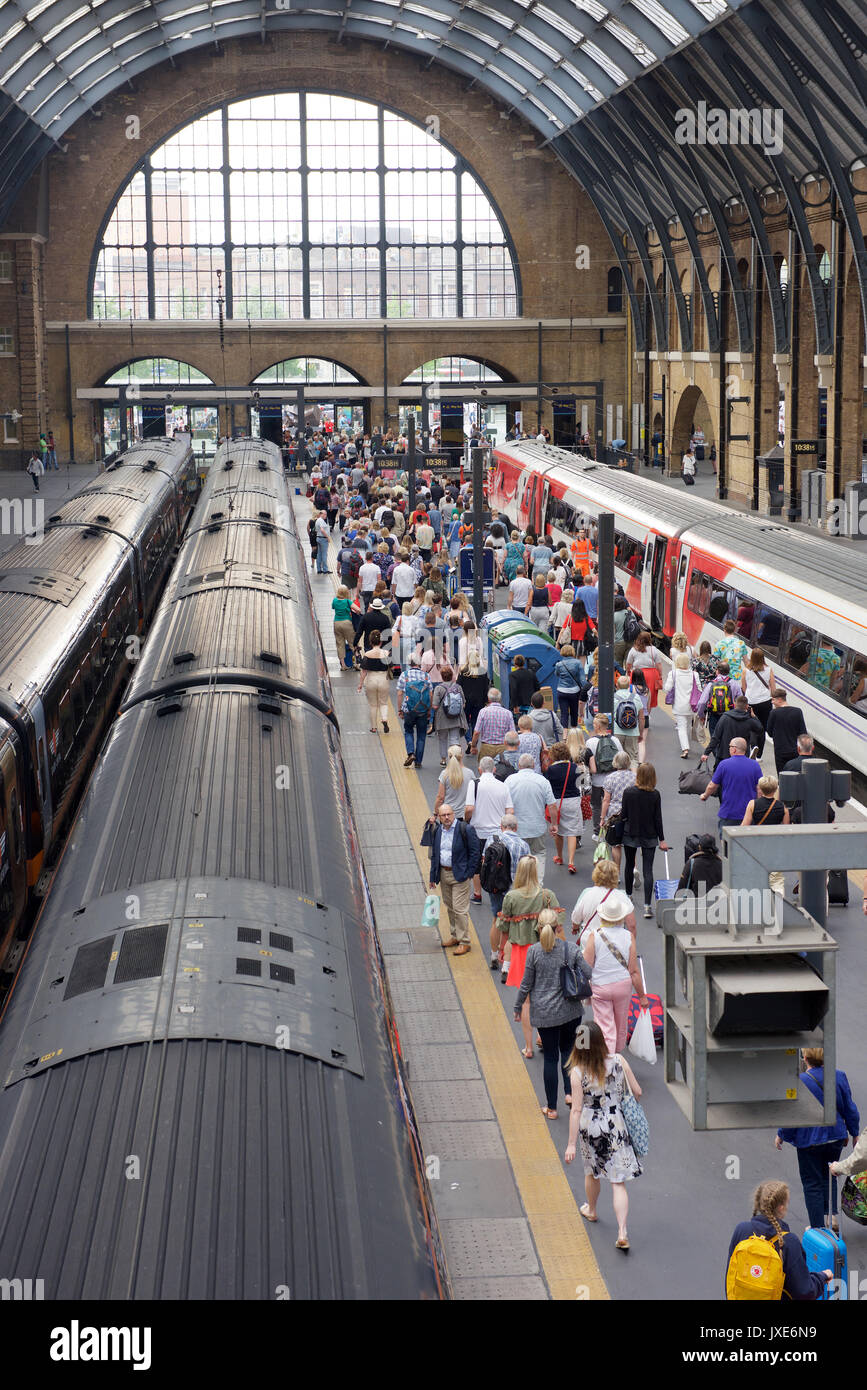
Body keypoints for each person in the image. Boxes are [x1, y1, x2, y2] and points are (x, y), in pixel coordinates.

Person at [564, 1021, 642, 1251]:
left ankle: (592, 1209)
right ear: (600, 1041)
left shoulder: (577, 1073)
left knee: (593, 1173)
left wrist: (570, 1144)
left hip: (591, 1127)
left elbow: (576, 1110)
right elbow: (637, 1091)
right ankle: (622, 1232)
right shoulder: (618, 1061)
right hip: (616, 1123)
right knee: (618, 1182)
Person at [775, 1048, 861, 1231]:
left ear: (805, 1058)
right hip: (835, 1136)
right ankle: (832, 1217)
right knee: (830, 1174)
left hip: (809, 1141)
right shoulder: (839, 1076)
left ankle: (818, 1229)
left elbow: (792, 1114)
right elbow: (849, 1108)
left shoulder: (800, 1081)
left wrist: (782, 1135)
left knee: (812, 1182)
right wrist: (854, 1133)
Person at [513, 907, 582, 1117]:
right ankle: (570, 1093)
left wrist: (517, 1008)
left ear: (539, 928)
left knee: (550, 1058)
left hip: (545, 1015)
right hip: (570, 1011)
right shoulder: (570, 949)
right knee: (569, 1052)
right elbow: (587, 972)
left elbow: (525, 985)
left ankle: (551, 1108)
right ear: (558, 926)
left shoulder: (534, 952)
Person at [726, 1181, 831, 1300]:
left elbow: (731, 1274)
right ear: (781, 1208)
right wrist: (822, 1277)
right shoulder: (789, 1241)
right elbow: (804, 1291)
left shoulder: (742, 1229)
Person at [581, 891, 647, 1054]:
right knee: (620, 1026)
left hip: (600, 987)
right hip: (623, 986)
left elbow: (586, 966)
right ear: (621, 917)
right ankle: (617, 1057)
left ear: (603, 917)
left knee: (604, 1028)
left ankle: (607, 1062)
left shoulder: (594, 936)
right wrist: (642, 996)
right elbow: (633, 971)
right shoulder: (628, 937)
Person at [427, 804, 481, 957]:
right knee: (449, 906)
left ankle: (464, 941)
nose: (446, 818)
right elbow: (435, 855)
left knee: (459, 908)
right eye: (443, 815)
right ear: (439, 816)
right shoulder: (438, 830)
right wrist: (433, 877)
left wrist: (470, 873)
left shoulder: (465, 829)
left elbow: (475, 852)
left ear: (453, 814)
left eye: (448, 814)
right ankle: (455, 935)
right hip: (444, 873)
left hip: (460, 875)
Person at [466, 761, 515, 921]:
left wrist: (467, 821)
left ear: (479, 769)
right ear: (494, 769)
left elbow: (469, 808)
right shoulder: (503, 786)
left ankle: (478, 894)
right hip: (497, 833)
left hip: (478, 831)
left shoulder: (474, 784)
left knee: (477, 864)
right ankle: (498, 888)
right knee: (498, 862)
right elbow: (510, 810)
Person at [620, 762, 670, 918]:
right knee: (648, 870)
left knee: (629, 864)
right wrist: (662, 839)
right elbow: (658, 819)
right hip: (649, 835)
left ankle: (628, 896)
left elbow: (623, 815)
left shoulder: (628, 792)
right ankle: (647, 906)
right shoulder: (655, 794)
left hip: (631, 833)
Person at [504, 754, 557, 884]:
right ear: (533, 766)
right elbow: (552, 805)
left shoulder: (510, 780)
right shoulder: (542, 781)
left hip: (517, 828)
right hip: (537, 827)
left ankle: (519, 884)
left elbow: (504, 803)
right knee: (538, 853)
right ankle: (537, 884)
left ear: (519, 765)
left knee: (518, 856)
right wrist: (554, 824)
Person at [700, 736, 762, 828]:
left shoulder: (724, 765)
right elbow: (760, 788)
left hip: (729, 812)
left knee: (726, 840)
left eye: (730, 746)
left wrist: (705, 795)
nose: (729, 749)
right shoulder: (755, 765)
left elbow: (712, 786)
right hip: (749, 813)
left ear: (734, 749)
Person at [742, 776, 789, 895]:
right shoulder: (782, 807)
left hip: (757, 843)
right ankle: (778, 903)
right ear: (775, 789)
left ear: (760, 789)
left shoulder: (753, 804)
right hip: (775, 845)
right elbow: (786, 829)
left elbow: (744, 826)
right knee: (776, 878)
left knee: (757, 873)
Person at [545, 740, 584, 872]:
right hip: (573, 800)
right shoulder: (574, 767)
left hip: (556, 802)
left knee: (558, 830)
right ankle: (571, 862)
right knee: (572, 831)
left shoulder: (550, 769)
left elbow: (547, 787)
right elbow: (581, 783)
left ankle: (560, 856)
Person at [585, 715, 624, 837]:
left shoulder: (590, 742)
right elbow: (622, 757)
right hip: (613, 779)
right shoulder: (615, 740)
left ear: (597, 726)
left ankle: (597, 832)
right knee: (612, 804)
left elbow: (586, 760)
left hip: (597, 780)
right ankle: (613, 829)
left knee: (596, 806)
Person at [702, 695, 765, 767]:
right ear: (747, 706)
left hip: (724, 756)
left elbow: (716, 737)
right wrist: (754, 716)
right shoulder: (749, 720)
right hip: (742, 758)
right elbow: (760, 730)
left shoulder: (725, 717)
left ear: (735, 704)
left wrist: (706, 753)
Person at [599, 751, 635, 873]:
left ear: (615, 763)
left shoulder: (610, 778)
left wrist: (602, 818)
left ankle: (617, 872)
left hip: (615, 814)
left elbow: (606, 800)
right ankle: (633, 868)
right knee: (631, 843)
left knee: (616, 844)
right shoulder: (634, 777)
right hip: (631, 812)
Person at [663, 653, 702, 758]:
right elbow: (699, 689)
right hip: (692, 705)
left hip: (679, 706)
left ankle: (685, 749)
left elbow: (667, 688)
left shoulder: (673, 673)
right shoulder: (695, 674)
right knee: (688, 726)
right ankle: (687, 744)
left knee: (681, 727)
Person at [397, 654, 432, 768]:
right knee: (421, 735)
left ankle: (411, 753)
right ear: (419, 663)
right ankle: (418, 762)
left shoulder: (404, 675)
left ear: (408, 663)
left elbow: (399, 693)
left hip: (409, 709)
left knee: (408, 731)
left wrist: (400, 709)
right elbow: (430, 694)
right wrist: (429, 710)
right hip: (422, 710)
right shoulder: (426, 676)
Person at [431, 666, 468, 765]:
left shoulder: (439, 688)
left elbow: (434, 706)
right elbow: (463, 703)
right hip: (455, 717)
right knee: (455, 739)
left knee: (442, 739)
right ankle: (455, 758)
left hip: (442, 718)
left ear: (442, 677)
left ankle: (443, 759)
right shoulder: (458, 687)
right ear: (452, 676)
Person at [766, 689, 808, 775]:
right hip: (795, 750)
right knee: (795, 774)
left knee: (782, 776)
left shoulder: (774, 713)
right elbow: (803, 733)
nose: (772, 702)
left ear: (780, 699)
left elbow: (769, 733)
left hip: (780, 751)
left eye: (773, 699)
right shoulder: (798, 711)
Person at [356, 639, 391, 734]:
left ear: (371, 642)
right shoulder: (387, 653)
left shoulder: (367, 654)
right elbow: (390, 666)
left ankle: (374, 727)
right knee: (383, 703)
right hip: (383, 679)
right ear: (381, 642)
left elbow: (364, 671)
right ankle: (384, 719)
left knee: (373, 705)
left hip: (371, 679)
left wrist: (360, 684)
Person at [470, 689, 515, 762]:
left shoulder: (483, 712)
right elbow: (512, 733)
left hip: (486, 747)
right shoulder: (508, 713)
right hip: (502, 747)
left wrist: (473, 746)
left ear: (488, 699)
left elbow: (477, 732)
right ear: (500, 699)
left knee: (485, 771)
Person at [457, 651, 490, 750]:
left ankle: (469, 741)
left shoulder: (463, 671)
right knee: (476, 721)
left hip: (466, 701)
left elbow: (458, 686)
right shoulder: (483, 671)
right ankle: (474, 741)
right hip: (479, 701)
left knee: (466, 721)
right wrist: (485, 701)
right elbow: (486, 688)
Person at [434, 744, 475, 819]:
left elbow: (440, 797)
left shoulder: (444, 774)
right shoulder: (470, 774)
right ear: (461, 755)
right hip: (463, 816)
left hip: (447, 815)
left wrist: (435, 813)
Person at [625, 632, 663, 714]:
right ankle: (646, 716)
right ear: (649, 639)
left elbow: (628, 664)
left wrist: (628, 672)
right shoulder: (654, 650)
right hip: (651, 675)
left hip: (636, 673)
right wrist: (660, 674)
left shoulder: (633, 650)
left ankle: (636, 714)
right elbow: (658, 664)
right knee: (649, 697)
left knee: (634, 694)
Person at [741, 648, 776, 728]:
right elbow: (773, 688)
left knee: (751, 726)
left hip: (751, 701)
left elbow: (743, 688)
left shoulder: (745, 670)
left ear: (752, 657)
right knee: (764, 726)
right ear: (763, 658)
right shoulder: (769, 669)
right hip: (765, 701)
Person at [612, 676, 645, 761]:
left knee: (617, 758)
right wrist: (640, 733)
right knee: (632, 759)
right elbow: (641, 718)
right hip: (633, 732)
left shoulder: (613, 698)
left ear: (617, 685)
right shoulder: (636, 697)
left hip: (617, 732)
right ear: (629, 685)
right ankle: (633, 773)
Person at [553, 644, 584, 729]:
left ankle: (565, 735)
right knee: (574, 712)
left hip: (562, 690)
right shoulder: (578, 663)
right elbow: (582, 679)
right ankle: (574, 732)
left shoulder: (559, 664)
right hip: (574, 691)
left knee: (564, 713)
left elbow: (556, 674)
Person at [332, 585, 356, 670]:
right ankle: (356, 663)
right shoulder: (348, 601)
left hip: (337, 623)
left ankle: (343, 665)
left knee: (340, 645)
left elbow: (333, 607)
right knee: (352, 644)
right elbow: (358, 610)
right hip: (347, 623)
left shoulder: (334, 600)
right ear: (346, 593)